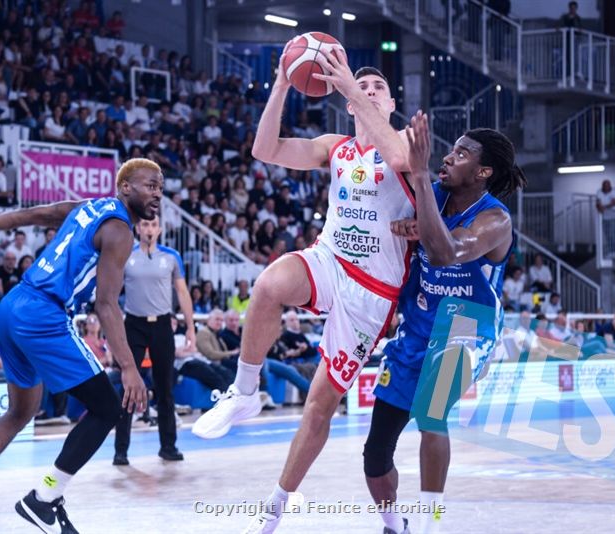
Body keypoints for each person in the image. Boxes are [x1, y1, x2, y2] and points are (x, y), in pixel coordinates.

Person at [192, 43, 415, 534]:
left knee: (317, 410)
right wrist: (280, 84)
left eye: (378, 87)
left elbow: (399, 157)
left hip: (372, 294)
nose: (369, 90)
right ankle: (244, 391)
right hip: (330, 259)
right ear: (349, 104)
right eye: (363, 85)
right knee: (269, 283)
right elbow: (265, 150)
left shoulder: (407, 140)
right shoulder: (335, 147)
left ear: (390, 103)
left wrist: (350, 85)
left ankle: (277, 505)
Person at [0, 159, 159, 534]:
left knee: (20, 412)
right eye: (150, 185)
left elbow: (33, 215)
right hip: (43, 314)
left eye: (160, 187)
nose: (157, 194)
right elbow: (106, 305)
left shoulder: (90, 207)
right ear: (125, 187)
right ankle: (45, 497)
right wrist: (130, 367)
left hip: (13, 306)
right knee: (106, 408)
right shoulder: (119, 230)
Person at [366, 117, 524, 534]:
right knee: (375, 454)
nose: (449, 157)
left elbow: (446, 252)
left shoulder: (495, 220)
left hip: (468, 325)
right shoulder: (431, 194)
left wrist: (420, 200)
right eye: (451, 149)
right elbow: (391, 221)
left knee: (431, 413)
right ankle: (395, 525)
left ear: (483, 171)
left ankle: (431, 524)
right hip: (419, 323)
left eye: (462, 154)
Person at [113, 215, 196, 466]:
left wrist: (191, 327)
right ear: (138, 228)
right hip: (134, 325)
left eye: (153, 225)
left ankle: (168, 446)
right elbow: (112, 292)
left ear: (159, 229)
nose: (149, 228)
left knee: (164, 388)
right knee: (128, 387)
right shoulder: (126, 255)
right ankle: (120, 450)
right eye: (145, 225)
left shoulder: (171, 256)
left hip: (162, 325)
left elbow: (182, 292)